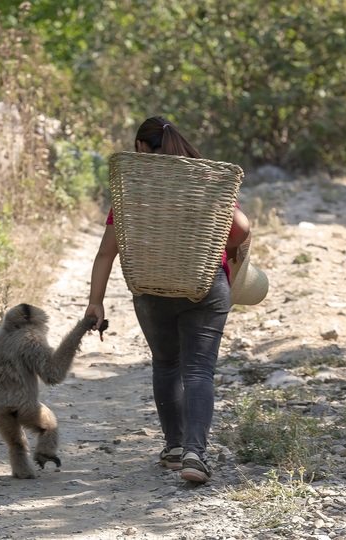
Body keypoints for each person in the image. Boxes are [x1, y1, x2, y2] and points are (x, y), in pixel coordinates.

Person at [84, 116, 251, 483]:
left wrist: (95, 302)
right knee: (198, 370)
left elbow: (105, 254)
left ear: (141, 148)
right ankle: (195, 454)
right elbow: (241, 228)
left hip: (151, 289)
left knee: (166, 363)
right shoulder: (207, 180)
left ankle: (174, 447)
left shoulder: (136, 190)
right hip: (205, 286)